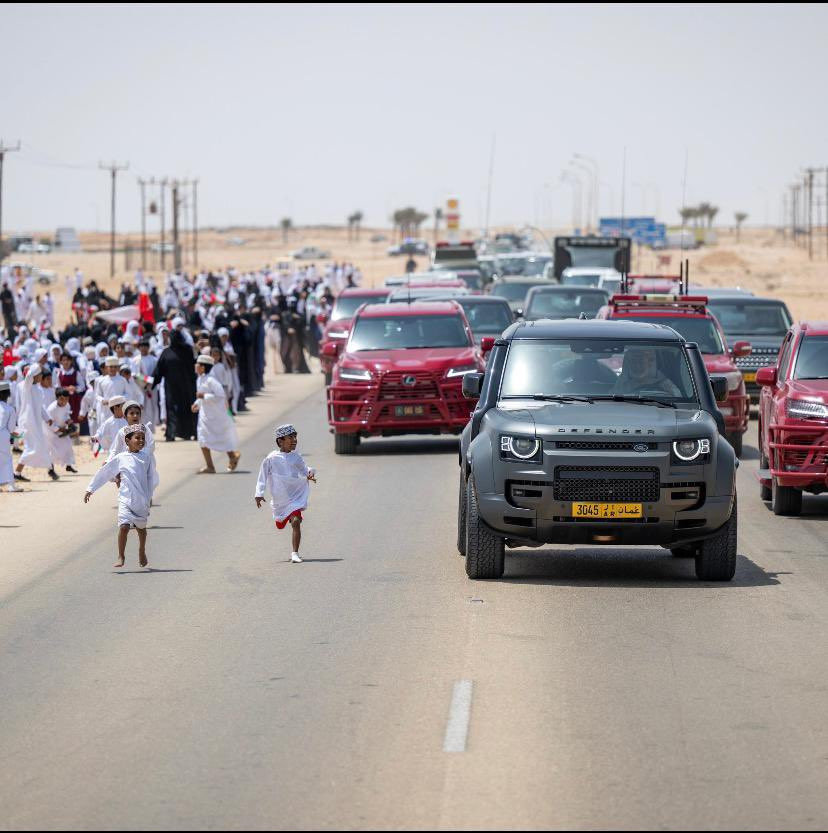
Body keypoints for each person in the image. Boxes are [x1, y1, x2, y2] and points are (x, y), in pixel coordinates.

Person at [84, 423, 156, 569]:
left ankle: (142, 550)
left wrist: (149, 497)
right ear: (127, 441)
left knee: (141, 528)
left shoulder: (146, 458)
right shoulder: (121, 458)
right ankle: (121, 555)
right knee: (124, 526)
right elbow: (105, 472)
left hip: (141, 500)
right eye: (137, 438)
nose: (141, 441)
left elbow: (150, 478)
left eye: (143, 438)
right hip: (125, 499)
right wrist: (91, 489)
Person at [254, 423, 316, 563]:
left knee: (296, 522)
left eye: (295, 437)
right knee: (280, 524)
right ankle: (285, 517)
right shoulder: (271, 458)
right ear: (280, 441)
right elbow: (262, 476)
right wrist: (259, 493)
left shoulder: (296, 457)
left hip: (295, 496)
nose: (294, 440)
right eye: (291, 437)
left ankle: (295, 553)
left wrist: (310, 473)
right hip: (280, 499)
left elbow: (304, 470)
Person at [191, 355, 240, 473]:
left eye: (198, 364)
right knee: (202, 439)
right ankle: (210, 466)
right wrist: (196, 404)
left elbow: (220, 396)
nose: (195, 366)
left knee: (222, 438)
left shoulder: (211, 381)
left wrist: (204, 396)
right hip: (205, 416)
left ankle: (233, 456)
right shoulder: (199, 379)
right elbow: (200, 397)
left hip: (216, 416)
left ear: (203, 367)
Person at [14, 364, 58, 482]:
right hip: (28, 422)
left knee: (39, 445)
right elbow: (29, 376)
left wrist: (47, 418)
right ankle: (17, 472)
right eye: (39, 375)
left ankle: (19, 472)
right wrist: (37, 366)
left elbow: (41, 406)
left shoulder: (37, 389)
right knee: (33, 447)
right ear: (34, 375)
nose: (41, 377)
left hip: (36, 422)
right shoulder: (25, 386)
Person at [152, 329, 196, 441]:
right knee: (183, 408)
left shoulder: (168, 352)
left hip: (175, 387)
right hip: (183, 386)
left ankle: (173, 434)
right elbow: (159, 371)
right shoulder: (187, 350)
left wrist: (151, 383)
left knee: (173, 409)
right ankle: (185, 433)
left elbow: (158, 372)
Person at [615, 347, 682, 397]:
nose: (637, 366)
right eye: (633, 362)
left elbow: (678, 400)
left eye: (641, 362)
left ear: (650, 363)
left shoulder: (665, 384)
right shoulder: (622, 382)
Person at [46, 387, 78, 473]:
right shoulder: (51, 409)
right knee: (53, 450)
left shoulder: (67, 405)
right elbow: (49, 424)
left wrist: (69, 422)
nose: (64, 401)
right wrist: (59, 429)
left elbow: (66, 416)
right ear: (57, 398)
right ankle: (51, 469)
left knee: (68, 446)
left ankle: (68, 465)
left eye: (66, 399)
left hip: (62, 430)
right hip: (50, 432)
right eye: (62, 399)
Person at [0, 380, 21, 492]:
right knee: (7, 459)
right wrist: (13, 438)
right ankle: (11, 486)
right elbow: (12, 428)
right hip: (3, 435)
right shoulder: (10, 409)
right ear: (8, 394)